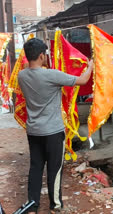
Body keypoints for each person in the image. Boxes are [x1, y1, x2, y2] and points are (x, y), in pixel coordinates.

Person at [18, 38, 93, 214]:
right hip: (52, 131)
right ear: (42, 56)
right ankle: (56, 206)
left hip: (34, 131)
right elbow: (82, 80)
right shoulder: (52, 74)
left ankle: (32, 206)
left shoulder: (22, 75)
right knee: (55, 169)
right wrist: (90, 65)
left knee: (36, 167)